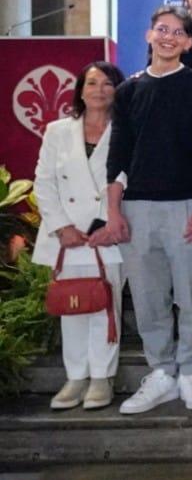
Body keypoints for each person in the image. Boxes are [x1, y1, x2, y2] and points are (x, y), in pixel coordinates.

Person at [106, 4, 192, 415]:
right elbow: (118, 153)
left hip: (189, 205)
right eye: (161, 29)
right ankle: (162, 372)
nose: (168, 37)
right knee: (150, 297)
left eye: (178, 32)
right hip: (138, 207)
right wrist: (114, 209)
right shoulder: (128, 91)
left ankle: (190, 369)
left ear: (189, 42)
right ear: (150, 35)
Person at [34, 61, 127, 412]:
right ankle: (75, 376)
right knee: (71, 306)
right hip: (67, 236)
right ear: (80, 89)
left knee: (105, 306)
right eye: (91, 83)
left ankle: (102, 377)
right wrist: (62, 226)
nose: (99, 90)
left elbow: (126, 176)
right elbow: (44, 181)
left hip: (106, 232)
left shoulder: (125, 128)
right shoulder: (58, 130)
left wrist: (106, 223)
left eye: (107, 83)